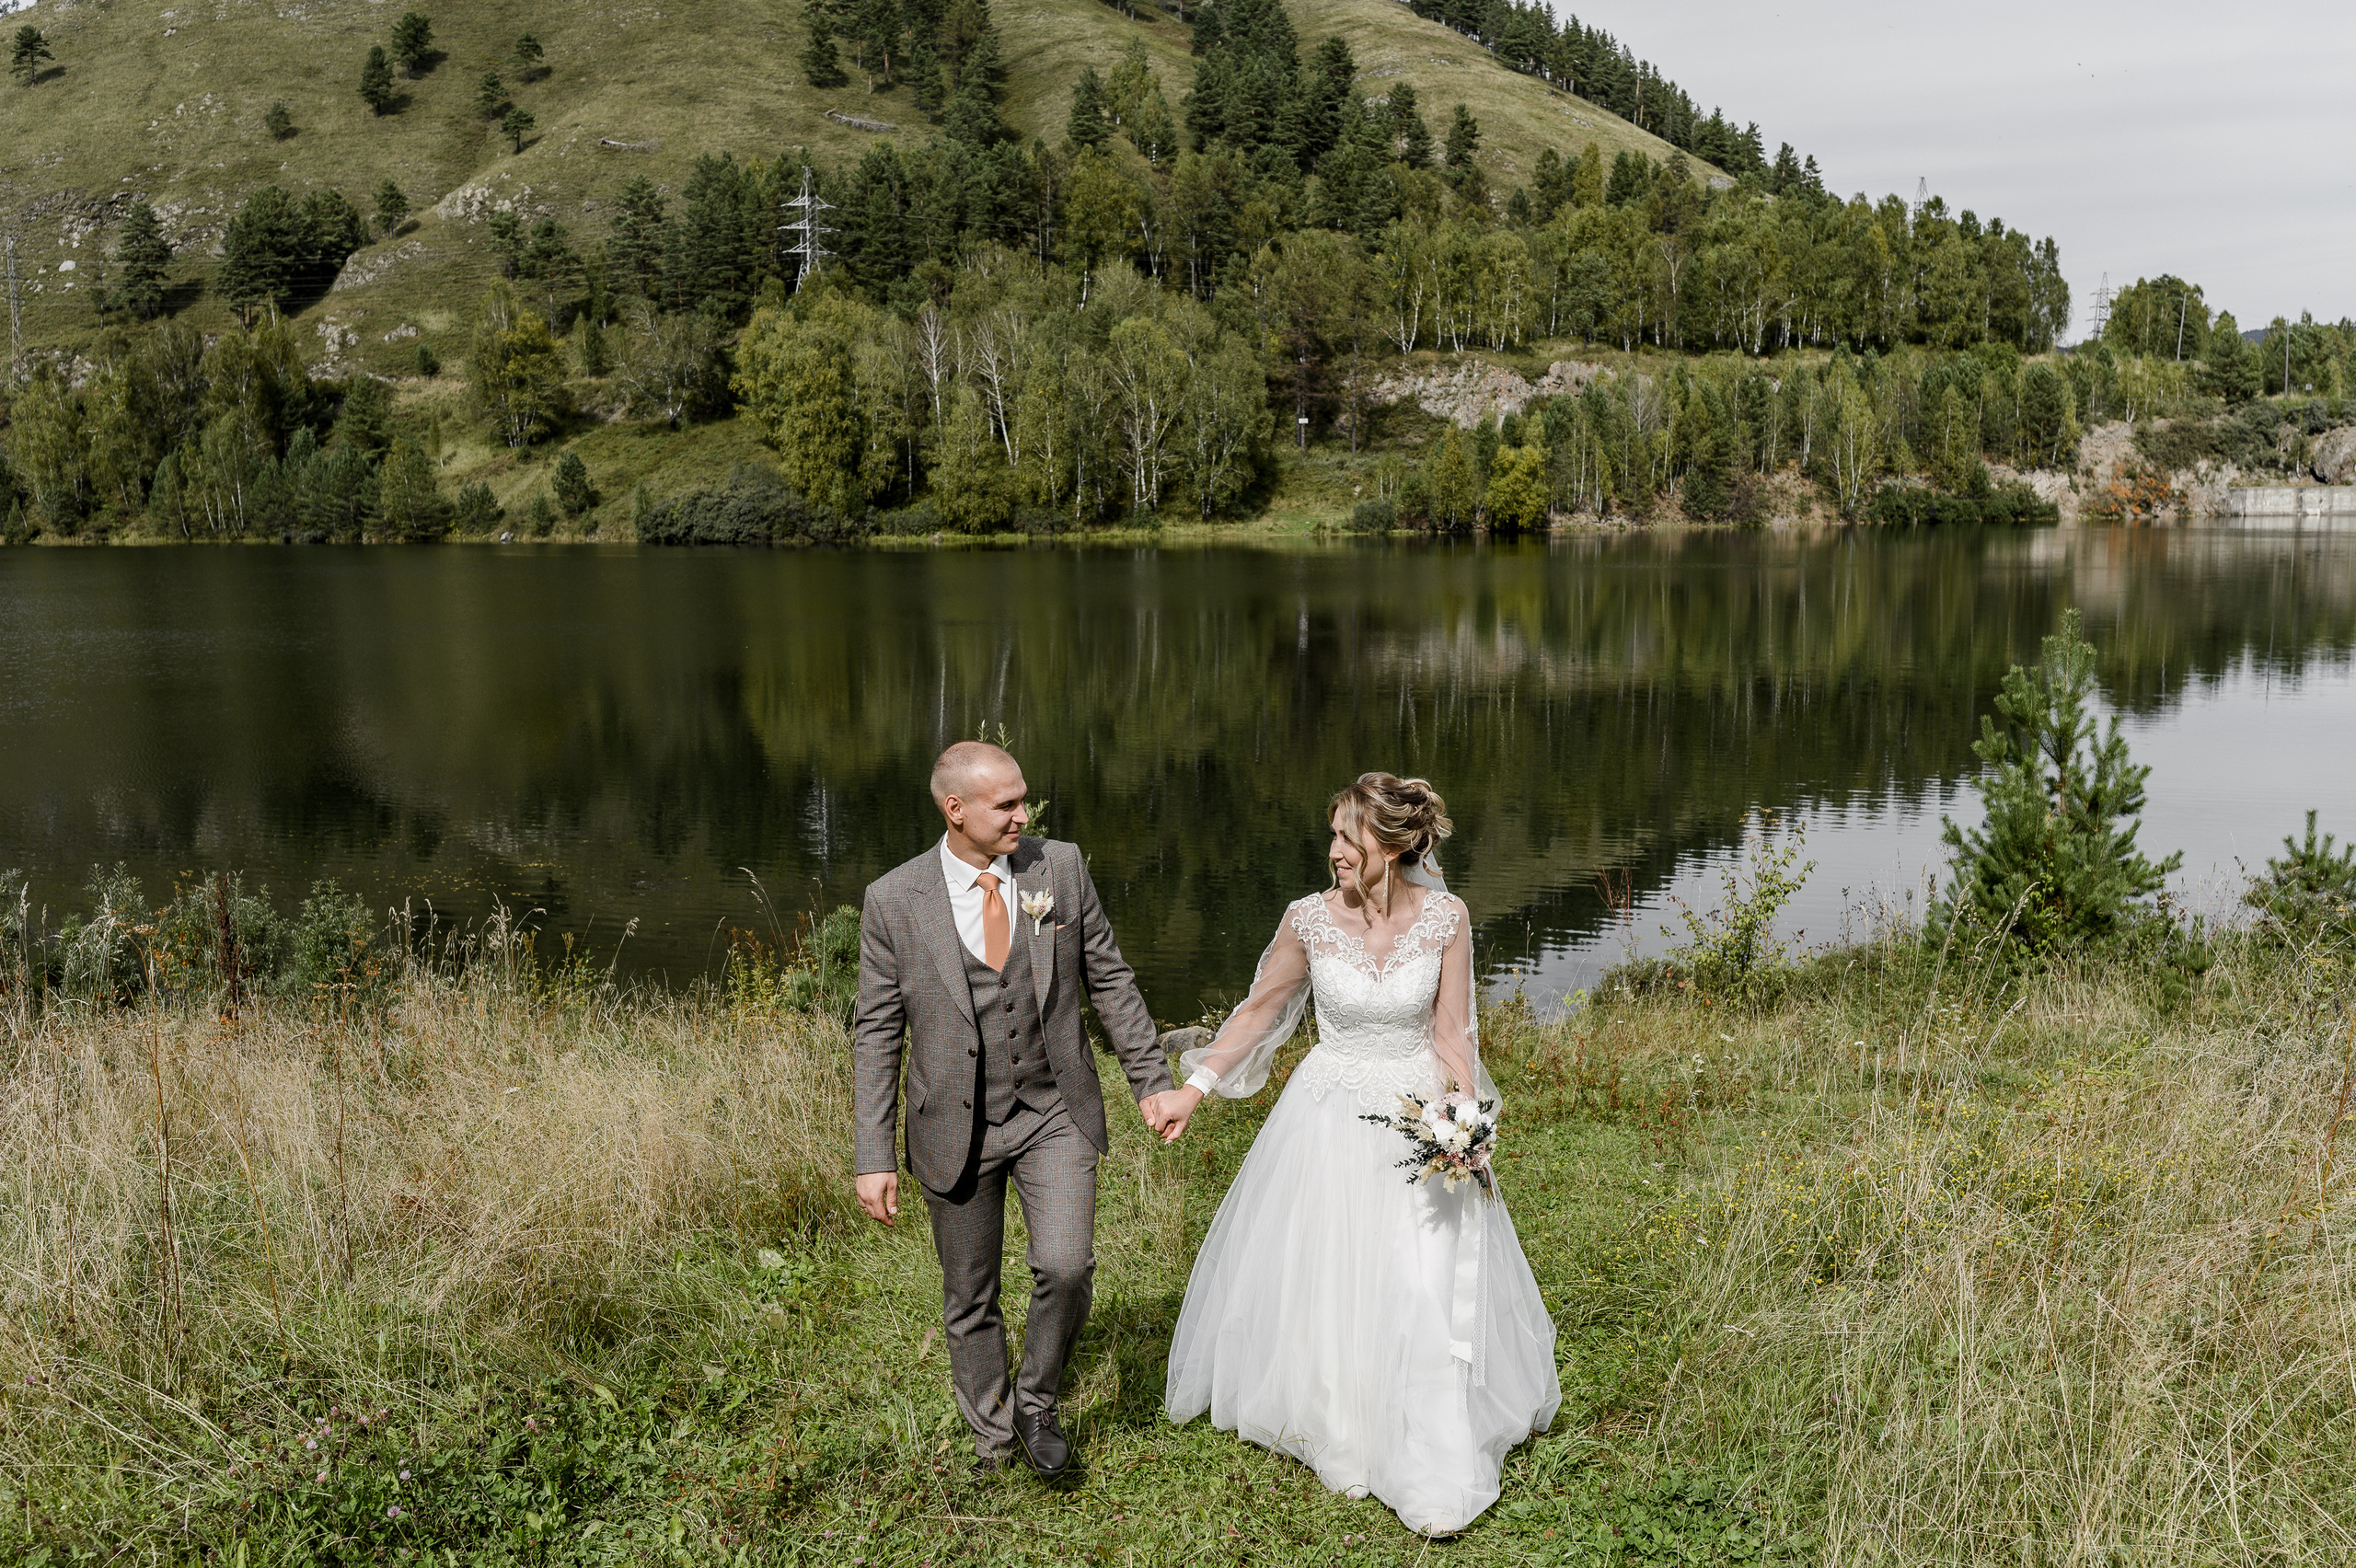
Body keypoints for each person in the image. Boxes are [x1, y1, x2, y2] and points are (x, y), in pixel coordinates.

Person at [1157, 772, 1561, 1536]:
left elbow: (1452, 1033)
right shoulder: (1308, 919)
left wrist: (1462, 1121)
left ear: (1394, 844)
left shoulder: (1446, 918)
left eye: (1349, 836)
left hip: (1414, 1118)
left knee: (1421, 1275)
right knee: (1331, 1265)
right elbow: (1259, 1012)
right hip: (1327, 1113)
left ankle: (1428, 1442)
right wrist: (1195, 1088)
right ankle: (1337, 1417)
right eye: (1334, 835)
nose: (1335, 850)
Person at [852, 741, 1194, 1477]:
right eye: (1005, 804)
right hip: (953, 1125)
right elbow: (877, 1032)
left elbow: (1109, 978)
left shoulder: (1058, 868)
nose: (1022, 815)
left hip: (1053, 1109)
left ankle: (1036, 1402)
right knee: (969, 1295)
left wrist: (1151, 1079)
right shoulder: (893, 900)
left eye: (1023, 799)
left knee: (1067, 1266)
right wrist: (873, 1155)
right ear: (955, 809)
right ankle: (994, 1440)